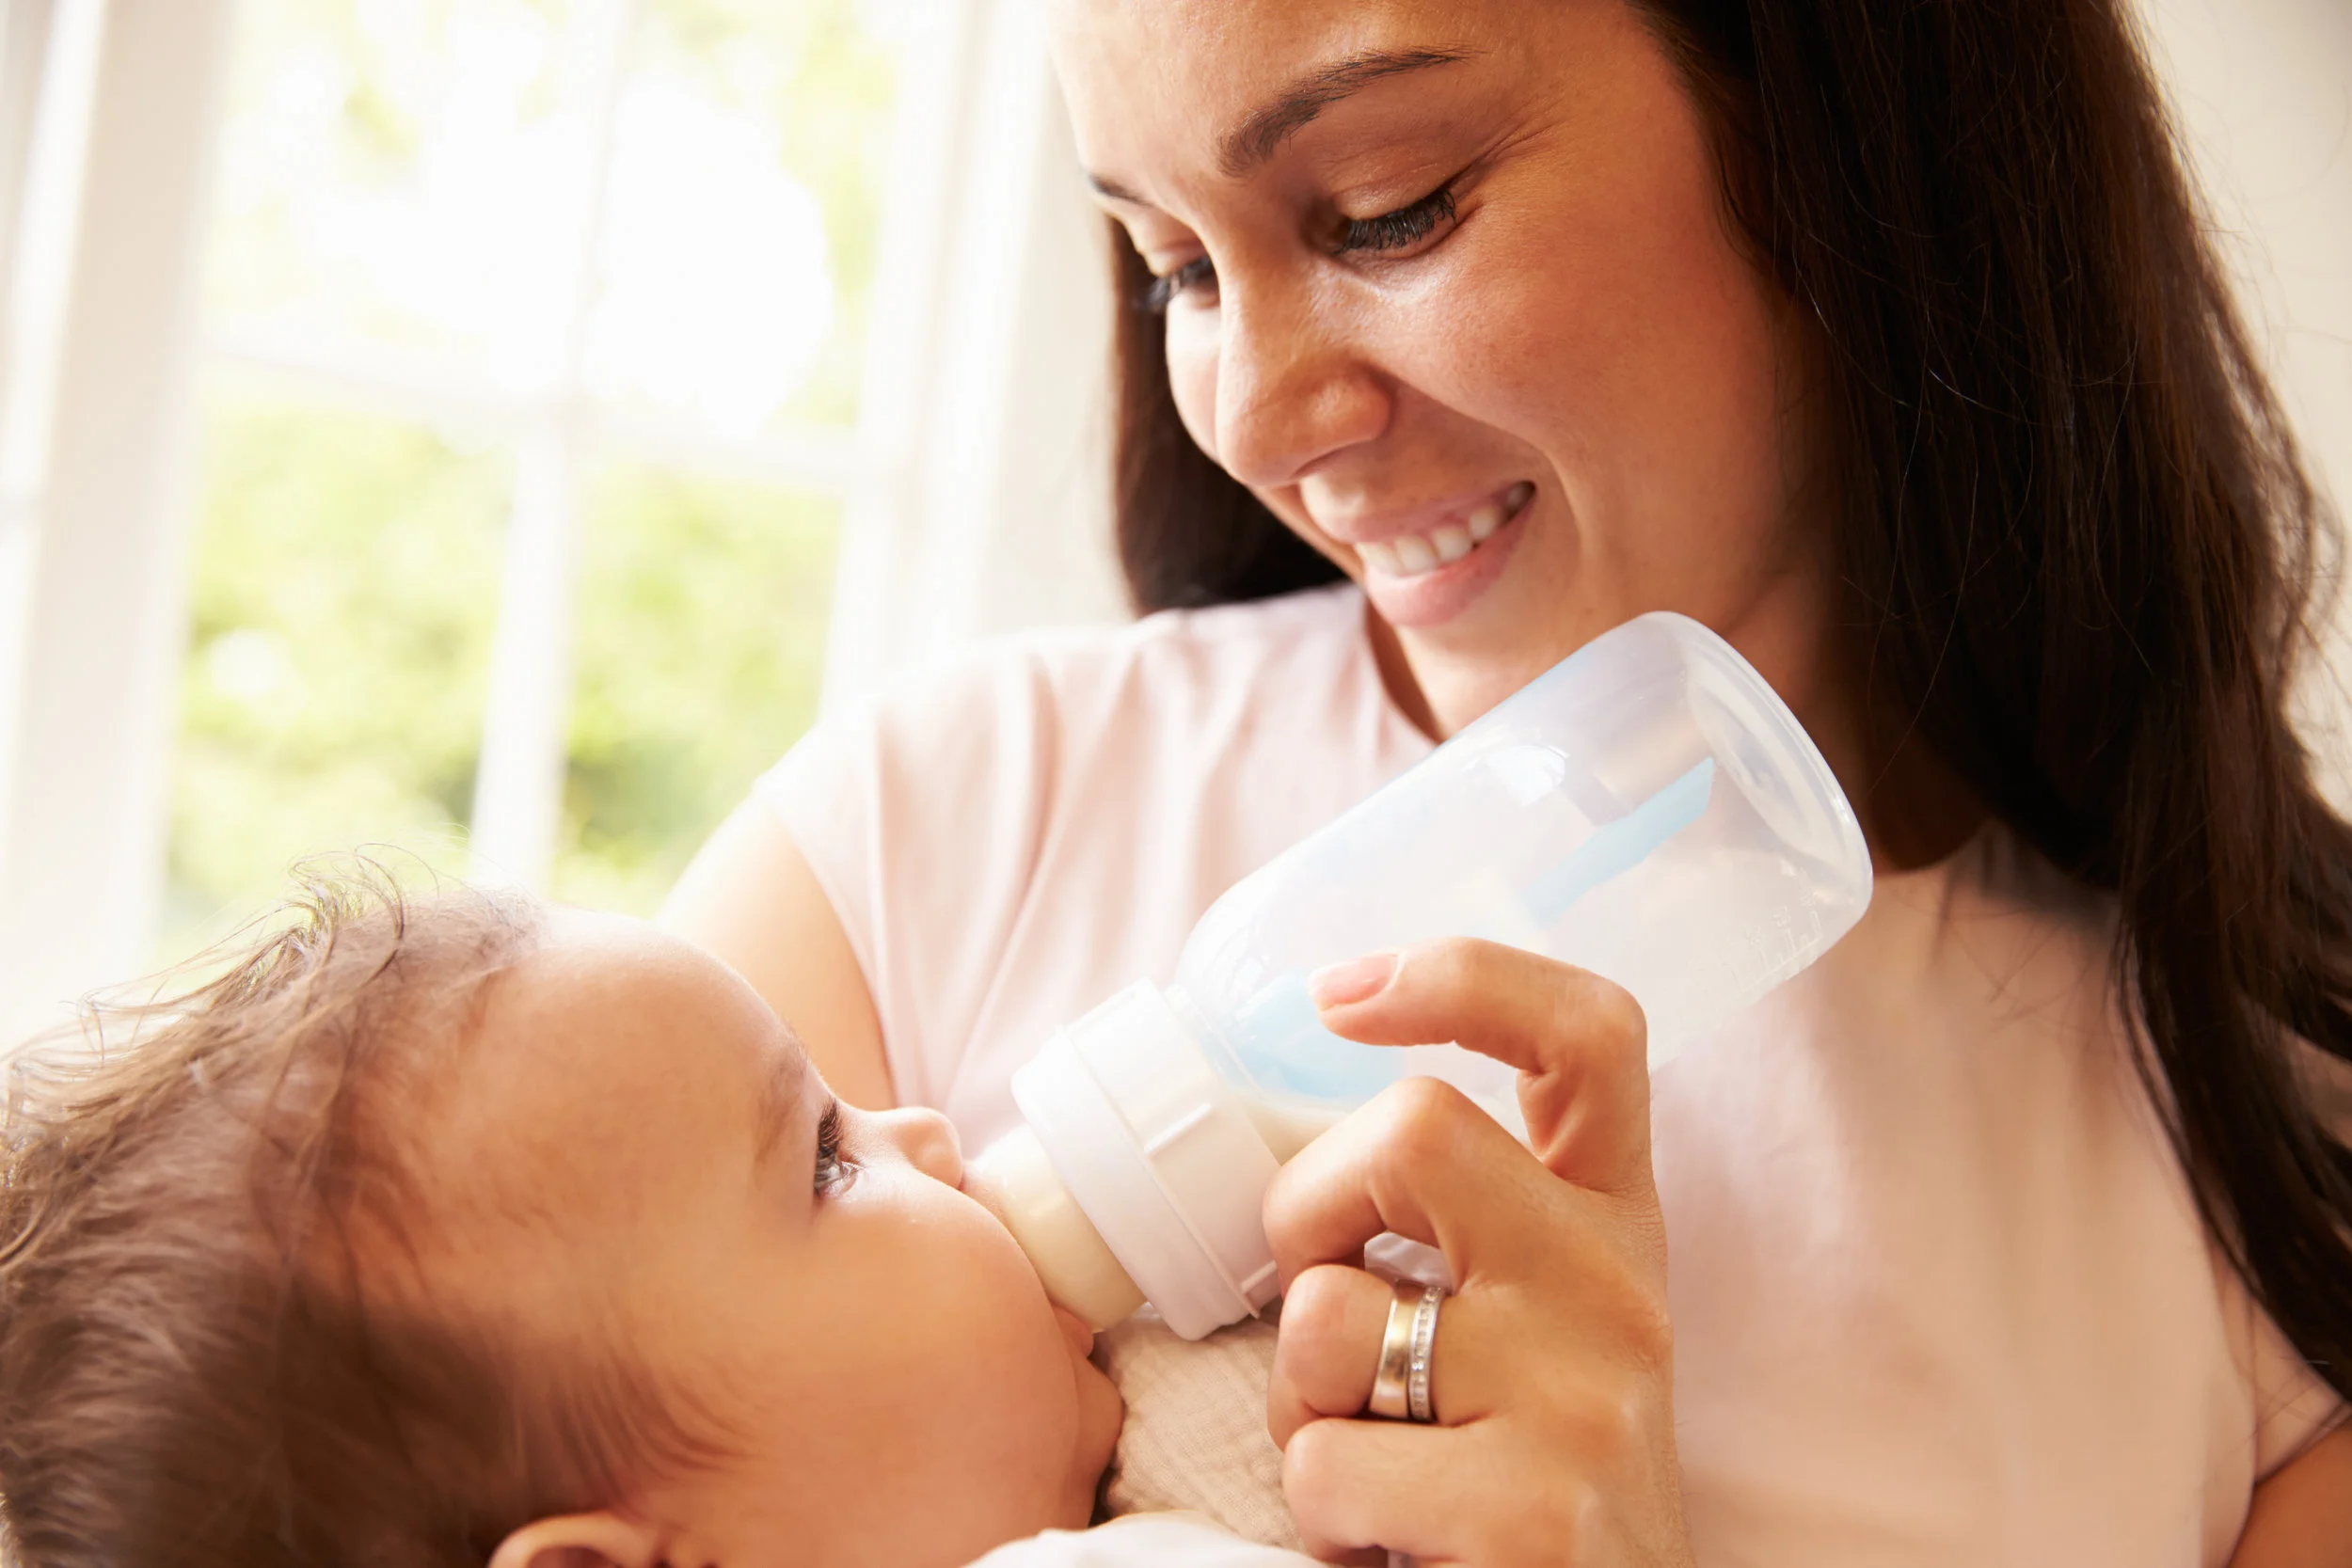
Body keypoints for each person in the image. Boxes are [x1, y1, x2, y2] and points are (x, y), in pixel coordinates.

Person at [660, 0, 2352, 1560]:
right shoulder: (918, 844)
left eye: (1390, 208)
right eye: (1174, 265)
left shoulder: (2286, 1185)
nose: (1253, 418)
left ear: (1853, 125)